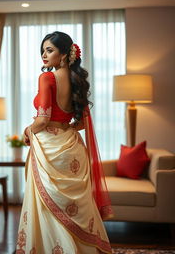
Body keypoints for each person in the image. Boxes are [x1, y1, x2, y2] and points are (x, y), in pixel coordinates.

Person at [15, 31, 113, 254]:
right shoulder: (77, 80)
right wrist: (63, 126)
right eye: (43, 50)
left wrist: (28, 130)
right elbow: (80, 124)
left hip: (50, 148)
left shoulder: (47, 78)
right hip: (72, 146)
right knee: (76, 207)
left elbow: (42, 120)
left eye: (49, 50)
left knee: (46, 206)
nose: (44, 55)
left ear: (64, 54)